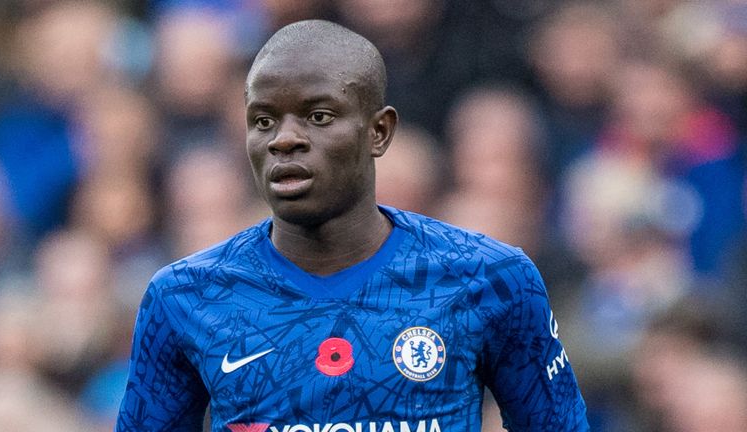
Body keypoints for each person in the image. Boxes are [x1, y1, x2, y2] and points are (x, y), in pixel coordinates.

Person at [116, 20, 589, 431]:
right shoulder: (184, 295)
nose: (284, 139)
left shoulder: (490, 278)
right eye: (262, 121)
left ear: (378, 131)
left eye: (318, 116)